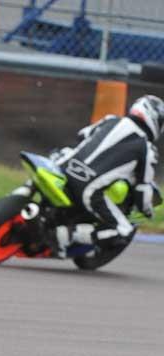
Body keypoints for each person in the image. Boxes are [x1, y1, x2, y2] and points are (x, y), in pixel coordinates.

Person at [49, 94, 163, 257]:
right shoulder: (147, 149)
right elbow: (143, 186)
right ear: (154, 119)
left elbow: (82, 135)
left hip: (63, 167)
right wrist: (146, 209)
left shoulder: (111, 120)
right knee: (123, 230)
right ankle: (65, 234)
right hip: (88, 189)